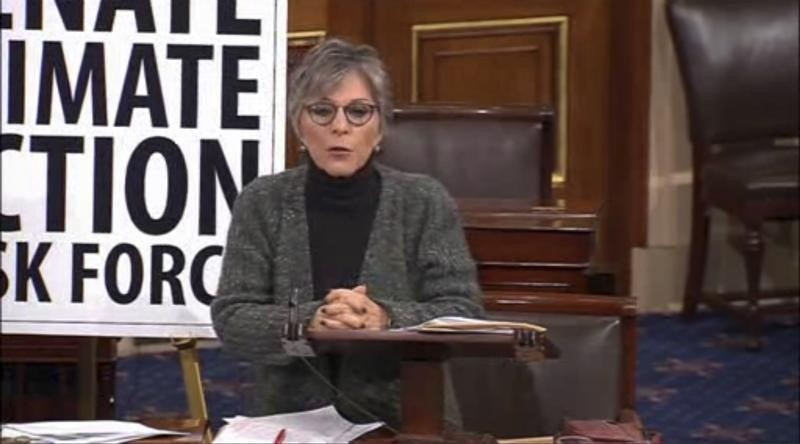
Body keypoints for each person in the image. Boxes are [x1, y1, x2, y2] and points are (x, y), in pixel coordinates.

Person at [211, 38, 483, 427]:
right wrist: (310, 322)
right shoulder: (262, 201)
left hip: (407, 422)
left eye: (358, 111)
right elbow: (233, 318)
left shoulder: (424, 200)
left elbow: (463, 313)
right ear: (298, 125)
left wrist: (385, 320)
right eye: (322, 111)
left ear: (382, 126)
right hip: (292, 422)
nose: (340, 126)